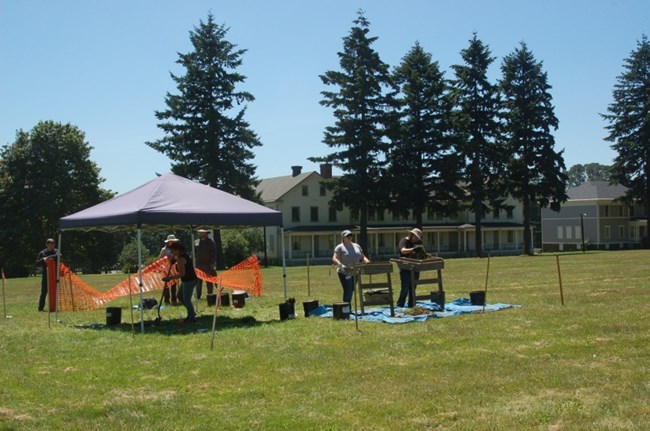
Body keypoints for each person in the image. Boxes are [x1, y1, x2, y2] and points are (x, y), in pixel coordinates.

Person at [162, 242, 198, 323]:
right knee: (180, 296)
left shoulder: (181, 259)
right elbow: (175, 259)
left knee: (186, 299)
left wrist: (169, 278)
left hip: (189, 280)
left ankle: (192, 317)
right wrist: (173, 260)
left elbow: (182, 274)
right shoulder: (182, 255)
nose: (171, 253)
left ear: (177, 250)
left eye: (172, 251)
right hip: (186, 280)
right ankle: (191, 312)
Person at [332, 230, 370, 303]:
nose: (350, 237)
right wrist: (340, 265)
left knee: (351, 289)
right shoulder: (339, 247)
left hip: (355, 271)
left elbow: (362, 256)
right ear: (343, 237)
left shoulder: (357, 246)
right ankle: (346, 307)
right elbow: (334, 258)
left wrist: (367, 261)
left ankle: (345, 305)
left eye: (351, 236)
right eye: (347, 236)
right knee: (348, 289)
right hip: (344, 272)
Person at [397, 228, 424, 308]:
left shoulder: (418, 242)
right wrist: (413, 249)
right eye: (415, 237)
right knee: (405, 288)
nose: (416, 239)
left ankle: (412, 306)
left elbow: (422, 252)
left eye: (417, 238)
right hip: (405, 267)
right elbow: (403, 251)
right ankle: (400, 306)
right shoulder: (404, 241)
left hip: (415, 267)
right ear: (411, 235)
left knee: (413, 288)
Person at [35, 238, 59, 311]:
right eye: (50, 246)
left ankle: (54, 307)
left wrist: (48, 258)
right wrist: (43, 259)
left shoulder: (56, 251)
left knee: (55, 292)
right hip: (46, 275)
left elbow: (59, 255)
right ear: (47, 245)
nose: (52, 247)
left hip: (55, 275)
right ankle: (40, 308)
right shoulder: (42, 253)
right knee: (44, 292)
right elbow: (37, 262)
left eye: (53, 245)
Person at [194, 229, 217, 301]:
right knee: (198, 281)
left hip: (208, 264)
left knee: (209, 280)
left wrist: (212, 263)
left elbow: (214, 253)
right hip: (198, 265)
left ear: (206, 233)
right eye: (199, 232)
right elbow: (194, 253)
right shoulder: (196, 242)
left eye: (202, 232)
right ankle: (198, 296)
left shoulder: (210, 242)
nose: (200, 233)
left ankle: (210, 295)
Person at [159, 234, 180, 305]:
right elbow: (160, 259)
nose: (171, 242)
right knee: (166, 285)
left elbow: (179, 258)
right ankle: (166, 300)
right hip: (165, 269)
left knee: (173, 285)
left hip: (174, 269)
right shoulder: (164, 249)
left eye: (173, 241)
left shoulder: (177, 249)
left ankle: (174, 299)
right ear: (167, 242)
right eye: (170, 241)